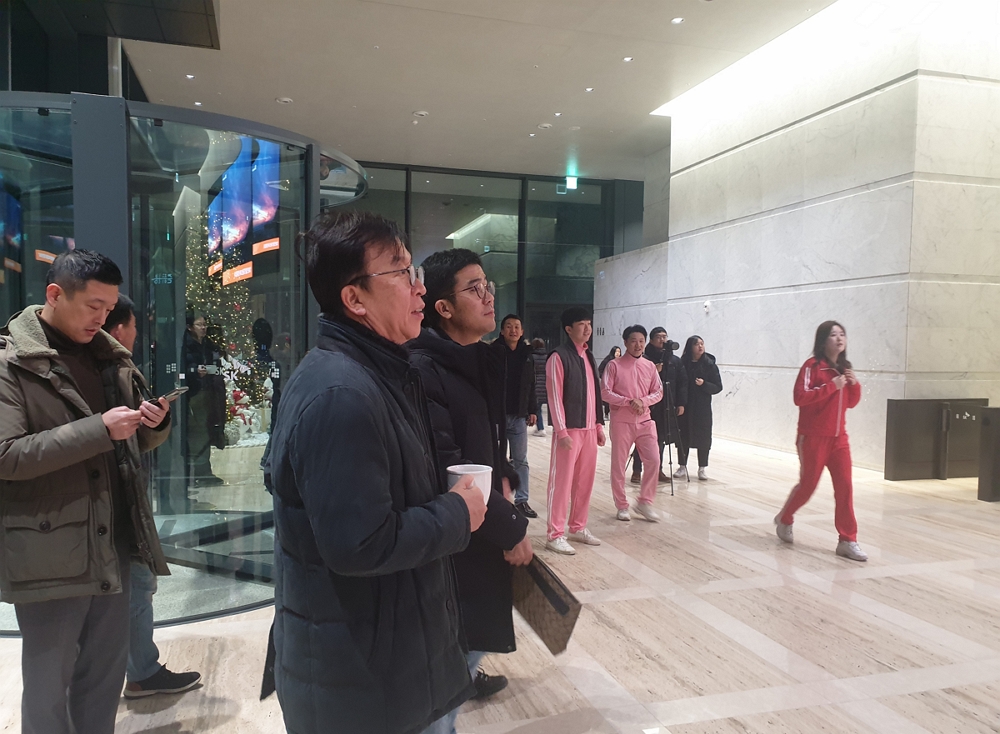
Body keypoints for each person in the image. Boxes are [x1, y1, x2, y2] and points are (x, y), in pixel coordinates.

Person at [267, 211, 487, 734]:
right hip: (359, 683)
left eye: (415, 270)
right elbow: (359, 544)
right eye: (402, 272)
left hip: (379, 661)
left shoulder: (378, 372)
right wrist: (457, 513)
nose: (419, 286)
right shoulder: (341, 394)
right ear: (355, 298)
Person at [0, 250, 171, 734]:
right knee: (48, 690)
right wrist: (99, 429)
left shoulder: (108, 357)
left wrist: (152, 424)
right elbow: (7, 455)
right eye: (94, 306)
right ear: (55, 295)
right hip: (49, 550)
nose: (103, 318)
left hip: (113, 542)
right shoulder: (11, 363)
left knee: (102, 682)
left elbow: (125, 441)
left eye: (110, 308)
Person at [409, 248, 533, 730]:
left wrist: (506, 479)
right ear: (443, 307)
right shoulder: (425, 368)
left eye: (489, 286)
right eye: (474, 288)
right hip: (457, 532)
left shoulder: (475, 360)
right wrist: (510, 527)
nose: (489, 297)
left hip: (481, 520)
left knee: (467, 640)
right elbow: (447, 464)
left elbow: (483, 441)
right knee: (450, 654)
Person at [103, 295, 203, 698]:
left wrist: (154, 422)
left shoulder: (119, 368)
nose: (136, 333)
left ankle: (137, 669)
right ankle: (140, 672)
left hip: (123, 494)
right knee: (135, 586)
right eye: (133, 325)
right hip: (112, 500)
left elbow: (137, 440)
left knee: (137, 584)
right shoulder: (101, 369)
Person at [774, 321, 867, 562]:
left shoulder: (845, 369)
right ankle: (785, 517)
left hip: (839, 440)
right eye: (833, 334)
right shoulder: (812, 366)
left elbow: (850, 403)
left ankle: (847, 539)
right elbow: (800, 397)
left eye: (842, 334)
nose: (839, 338)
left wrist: (854, 385)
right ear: (823, 340)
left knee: (845, 487)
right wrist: (830, 386)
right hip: (813, 437)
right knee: (808, 485)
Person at [544, 306, 606, 555]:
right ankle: (554, 534)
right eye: (582, 324)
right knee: (561, 483)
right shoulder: (558, 357)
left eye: (589, 323)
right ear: (569, 329)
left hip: (589, 430)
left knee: (584, 482)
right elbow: (554, 397)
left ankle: (578, 527)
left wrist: (599, 425)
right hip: (569, 431)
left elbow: (595, 394)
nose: (587, 328)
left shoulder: (589, 356)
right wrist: (561, 432)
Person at [601, 326, 663, 523]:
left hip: (645, 420)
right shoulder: (614, 365)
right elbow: (605, 392)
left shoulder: (649, 366)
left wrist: (643, 401)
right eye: (634, 341)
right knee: (619, 465)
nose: (638, 345)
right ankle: (622, 505)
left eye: (641, 341)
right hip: (622, 422)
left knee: (654, 460)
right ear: (625, 342)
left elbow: (658, 391)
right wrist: (628, 402)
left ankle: (645, 501)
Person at [492, 314, 539, 518]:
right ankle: (497, 498)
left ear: (522, 332)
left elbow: (531, 384)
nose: (513, 330)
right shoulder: (493, 352)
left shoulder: (526, 355)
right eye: (509, 326)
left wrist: (533, 410)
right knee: (494, 458)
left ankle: (522, 500)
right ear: (502, 331)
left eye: (517, 327)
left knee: (521, 460)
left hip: (518, 416)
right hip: (496, 416)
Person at [633, 327, 687, 485]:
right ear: (651, 340)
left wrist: (681, 403)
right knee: (642, 439)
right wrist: (653, 371)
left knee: (661, 439)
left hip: (667, 406)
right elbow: (636, 381)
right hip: (648, 406)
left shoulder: (674, 360)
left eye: (665, 336)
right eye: (659, 337)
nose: (663, 340)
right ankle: (637, 470)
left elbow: (683, 383)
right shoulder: (644, 359)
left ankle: (658, 470)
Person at [182, 312, 224, 486]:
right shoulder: (185, 345)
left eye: (204, 324)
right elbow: (182, 369)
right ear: (190, 327)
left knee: (206, 431)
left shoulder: (208, 345)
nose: (203, 328)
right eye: (199, 324)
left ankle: (204, 471)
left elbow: (216, 364)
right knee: (197, 433)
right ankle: (196, 473)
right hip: (193, 393)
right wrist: (194, 372)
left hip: (208, 391)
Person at [677, 336, 723, 482]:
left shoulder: (709, 364)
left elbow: (718, 386)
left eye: (702, 344)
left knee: (703, 437)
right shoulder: (683, 363)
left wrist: (704, 384)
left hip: (702, 408)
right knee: (683, 436)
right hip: (685, 406)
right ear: (690, 347)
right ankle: (682, 466)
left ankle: (702, 468)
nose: (700, 346)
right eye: (697, 344)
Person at [531, 338, 548, 436]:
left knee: (537, 408)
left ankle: (540, 428)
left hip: (536, 384)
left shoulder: (531, 357)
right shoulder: (548, 357)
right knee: (541, 408)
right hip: (546, 385)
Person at [598, 346, 621, 421]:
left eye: (619, 352)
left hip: (617, 383)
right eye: (616, 351)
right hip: (608, 383)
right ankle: (606, 413)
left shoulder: (621, 361)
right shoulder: (607, 360)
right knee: (608, 399)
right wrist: (605, 377)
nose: (618, 353)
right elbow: (600, 370)